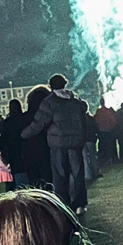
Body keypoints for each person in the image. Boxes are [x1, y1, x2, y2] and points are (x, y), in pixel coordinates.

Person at [22, 75, 88, 214]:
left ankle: (63, 204)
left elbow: (39, 124)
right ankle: (80, 204)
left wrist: (23, 134)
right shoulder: (75, 101)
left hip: (57, 144)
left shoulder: (49, 102)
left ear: (51, 86)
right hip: (76, 143)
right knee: (77, 175)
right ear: (64, 84)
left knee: (60, 175)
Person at [21, 86, 53, 188]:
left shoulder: (23, 119)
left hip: (29, 152)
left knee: (33, 180)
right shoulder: (50, 117)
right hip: (48, 150)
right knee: (48, 178)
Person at [0, 98, 30, 189]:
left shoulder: (8, 122)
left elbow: (3, 137)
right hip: (26, 148)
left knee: (17, 171)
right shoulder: (25, 119)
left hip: (13, 150)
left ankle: (19, 189)